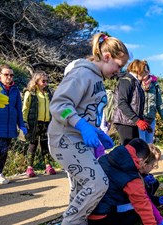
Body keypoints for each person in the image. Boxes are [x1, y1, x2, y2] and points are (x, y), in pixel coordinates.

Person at [48, 32, 128, 225]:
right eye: (118, 65)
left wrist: (97, 131)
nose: (118, 71)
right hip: (65, 139)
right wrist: (83, 126)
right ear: (107, 56)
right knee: (98, 182)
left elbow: (86, 110)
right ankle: (72, 221)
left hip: (78, 141)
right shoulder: (82, 73)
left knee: (80, 189)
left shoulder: (97, 79)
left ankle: (73, 221)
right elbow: (59, 106)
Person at [88, 138, 163, 225]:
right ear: (141, 161)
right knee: (135, 210)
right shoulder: (131, 178)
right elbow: (143, 205)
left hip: (88, 211)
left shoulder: (104, 158)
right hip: (104, 217)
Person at [0, 64, 27, 185]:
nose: (9, 77)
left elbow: (18, 108)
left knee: (5, 151)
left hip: (10, 126)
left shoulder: (15, 90)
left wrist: (21, 124)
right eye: (6, 74)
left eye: (11, 75)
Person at [22, 71, 55, 177]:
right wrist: (24, 121)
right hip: (34, 123)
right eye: (43, 81)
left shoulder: (48, 93)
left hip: (46, 122)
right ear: (36, 81)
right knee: (33, 144)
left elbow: (53, 107)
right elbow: (25, 108)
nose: (46, 83)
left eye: (47, 81)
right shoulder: (30, 93)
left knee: (45, 144)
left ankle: (48, 166)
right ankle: (30, 168)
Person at [113, 59, 150, 145]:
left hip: (132, 122)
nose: (146, 74)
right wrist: (137, 120)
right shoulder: (126, 81)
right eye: (144, 71)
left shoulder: (136, 83)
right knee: (129, 151)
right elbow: (122, 103)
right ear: (138, 70)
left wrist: (142, 120)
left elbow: (137, 105)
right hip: (124, 122)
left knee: (134, 150)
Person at [139, 62, 163, 143]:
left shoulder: (155, 85)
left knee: (149, 145)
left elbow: (159, 103)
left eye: (146, 70)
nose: (144, 73)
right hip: (140, 119)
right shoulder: (136, 84)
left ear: (149, 71)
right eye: (142, 71)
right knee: (141, 145)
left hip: (151, 119)